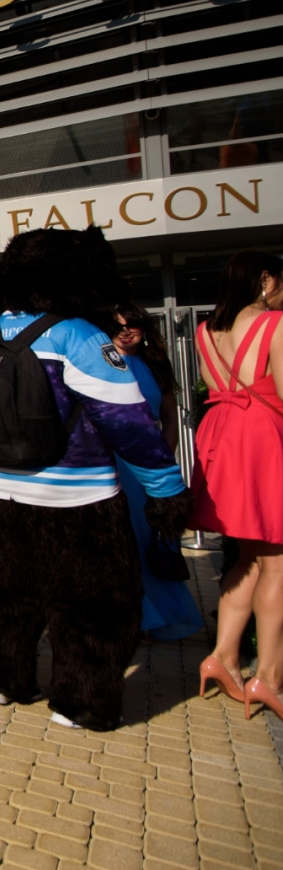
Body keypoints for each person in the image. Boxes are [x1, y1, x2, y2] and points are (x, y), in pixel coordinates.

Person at [0, 227, 188, 731]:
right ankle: (81, 700)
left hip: (2, 492)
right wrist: (166, 489)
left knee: (5, 592)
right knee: (94, 603)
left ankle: (0, 678)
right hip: (80, 497)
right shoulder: (79, 336)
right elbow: (127, 422)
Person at [190, 251, 283, 721]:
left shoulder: (205, 331)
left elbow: (214, 386)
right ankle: (269, 676)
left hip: (221, 437)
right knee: (278, 564)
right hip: (264, 439)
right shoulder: (275, 324)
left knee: (246, 558)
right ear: (265, 280)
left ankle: (223, 656)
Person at [109, 304, 201, 642]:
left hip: (149, 464)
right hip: (112, 463)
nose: (126, 330)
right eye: (118, 325)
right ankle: (137, 617)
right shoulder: (102, 362)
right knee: (122, 540)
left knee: (152, 538)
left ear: (145, 329)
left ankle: (160, 615)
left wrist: (165, 457)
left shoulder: (155, 364)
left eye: (132, 324)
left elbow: (169, 417)